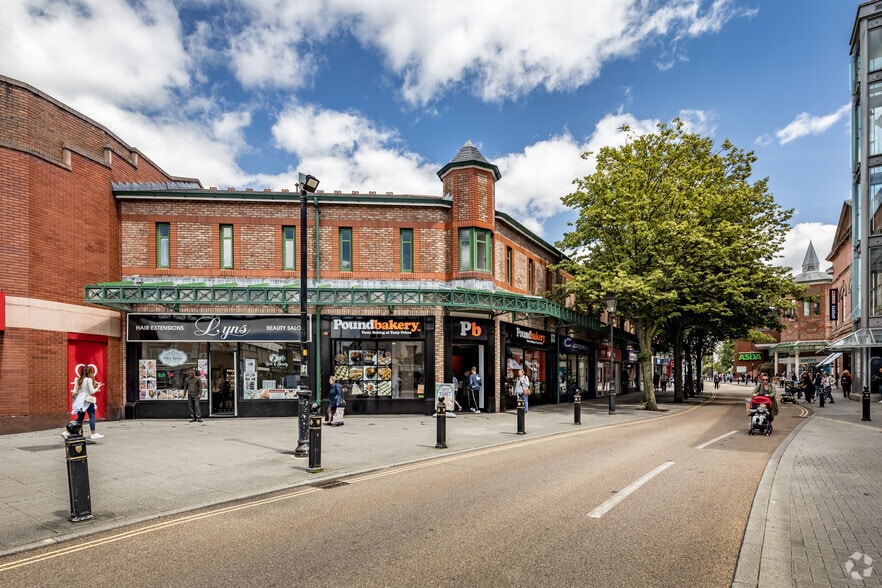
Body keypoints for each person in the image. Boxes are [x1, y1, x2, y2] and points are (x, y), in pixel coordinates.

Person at [63, 365, 104, 440]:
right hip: (87, 399)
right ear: (90, 373)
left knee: (80, 418)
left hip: (79, 400)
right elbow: (91, 391)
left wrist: (74, 401)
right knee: (92, 416)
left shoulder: (78, 380)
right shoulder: (89, 380)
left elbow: (75, 392)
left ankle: (67, 431)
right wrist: (98, 387)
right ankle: (93, 433)